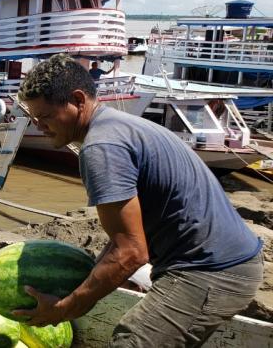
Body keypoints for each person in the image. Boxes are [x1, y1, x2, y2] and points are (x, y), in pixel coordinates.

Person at [14, 54, 263, 347]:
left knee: (132, 341)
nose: (37, 125)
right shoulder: (121, 126)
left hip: (211, 271)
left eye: (44, 116)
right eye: (32, 118)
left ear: (79, 100)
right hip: (226, 263)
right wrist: (86, 286)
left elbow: (131, 252)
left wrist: (65, 308)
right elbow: (126, 234)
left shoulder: (102, 147)